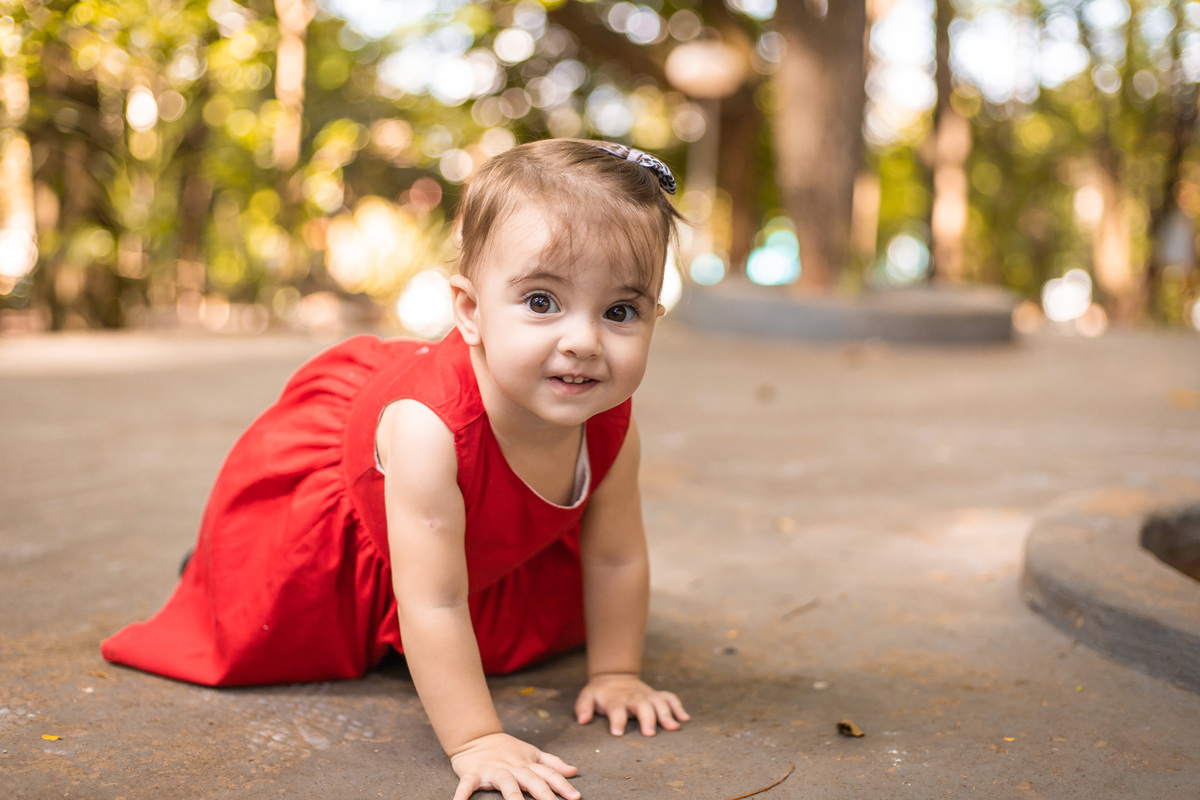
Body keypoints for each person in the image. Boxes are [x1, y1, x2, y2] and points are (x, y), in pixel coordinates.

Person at [102, 138, 689, 800]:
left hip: (482, 546)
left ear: (653, 319)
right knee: (273, 613)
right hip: (364, 525)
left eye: (619, 312)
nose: (582, 341)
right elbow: (434, 599)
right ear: (469, 311)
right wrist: (476, 740)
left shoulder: (610, 421)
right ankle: (214, 565)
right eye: (542, 302)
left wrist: (615, 672)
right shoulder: (427, 429)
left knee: (499, 616)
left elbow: (613, 557)